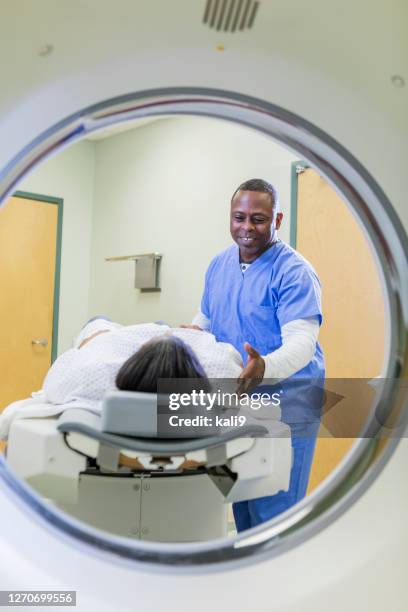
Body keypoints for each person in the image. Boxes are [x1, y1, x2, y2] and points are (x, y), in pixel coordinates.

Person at [183, 178, 325, 531]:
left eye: (258, 219)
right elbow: (205, 320)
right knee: (243, 511)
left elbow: (302, 343)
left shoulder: (294, 272)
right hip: (238, 406)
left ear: (276, 221)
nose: (246, 227)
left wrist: (266, 367)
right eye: (238, 217)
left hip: (287, 407)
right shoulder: (219, 265)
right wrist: (188, 336)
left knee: (275, 518)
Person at [43, 319, 242, 408]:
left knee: (98, 321)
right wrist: (200, 338)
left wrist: (87, 345)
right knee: (162, 329)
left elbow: (55, 377)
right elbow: (229, 359)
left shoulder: (97, 372)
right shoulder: (218, 376)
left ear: (136, 362)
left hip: (107, 339)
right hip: (126, 343)